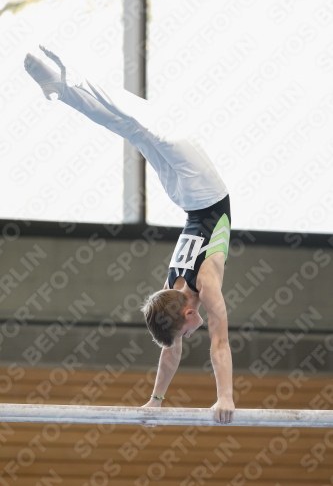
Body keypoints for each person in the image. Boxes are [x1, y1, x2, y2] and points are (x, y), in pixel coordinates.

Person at [24, 46, 234, 425]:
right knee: (133, 128)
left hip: (202, 188)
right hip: (185, 196)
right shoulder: (173, 290)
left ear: (188, 313)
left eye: (186, 327)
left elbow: (221, 342)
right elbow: (171, 350)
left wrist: (226, 398)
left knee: (142, 123)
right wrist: (155, 400)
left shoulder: (204, 286)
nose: (190, 331)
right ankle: (61, 85)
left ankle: (67, 75)